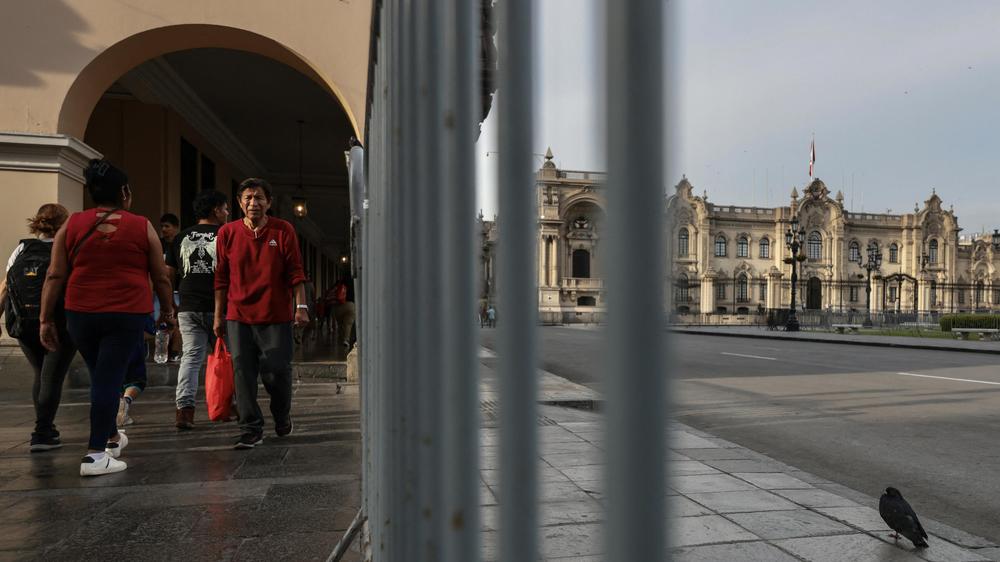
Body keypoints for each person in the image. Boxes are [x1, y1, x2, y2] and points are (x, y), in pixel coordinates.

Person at [40, 159, 175, 477]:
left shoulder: (71, 224)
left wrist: (45, 319)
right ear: (125, 192)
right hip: (125, 313)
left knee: (101, 375)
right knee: (108, 379)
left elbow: (55, 275)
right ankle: (95, 453)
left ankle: (112, 438)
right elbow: (161, 276)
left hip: (81, 314)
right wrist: (167, 311)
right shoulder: (141, 226)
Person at [214, 178, 308, 450]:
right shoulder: (227, 233)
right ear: (239, 203)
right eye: (248, 198)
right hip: (238, 315)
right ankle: (250, 428)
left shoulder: (283, 230)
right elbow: (221, 278)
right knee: (242, 372)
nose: (253, 203)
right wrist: (219, 317)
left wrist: (300, 307)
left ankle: (281, 415)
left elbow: (296, 271)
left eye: (259, 198)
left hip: (275, 315)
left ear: (268, 202)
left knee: (276, 372)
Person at [0, 204, 76, 452]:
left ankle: (46, 427)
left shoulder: (20, 249)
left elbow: (6, 286)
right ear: (64, 223)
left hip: (24, 323)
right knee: (51, 378)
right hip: (57, 323)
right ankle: (42, 432)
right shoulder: (66, 249)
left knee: (40, 374)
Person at [166, 190, 229, 430]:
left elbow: (168, 273)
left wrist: (171, 303)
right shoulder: (226, 234)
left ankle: (185, 411)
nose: (227, 213)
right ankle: (228, 404)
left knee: (190, 359)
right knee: (227, 357)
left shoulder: (181, 237)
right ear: (215, 210)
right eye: (224, 208)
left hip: (188, 306)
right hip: (220, 307)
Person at [158, 212, 182, 361]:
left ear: (175, 227)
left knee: (176, 320)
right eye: (162, 227)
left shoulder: (180, 243)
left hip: (178, 288)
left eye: (167, 226)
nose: (164, 229)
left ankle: (174, 351)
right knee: (164, 320)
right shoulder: (159, 244)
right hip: (162, 289)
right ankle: (164, 350)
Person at [333, 275, 356, 349]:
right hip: (352, 305)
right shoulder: (355, 283)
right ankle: (346, 340)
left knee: (340, 323)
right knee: (348, 324)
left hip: (341, 305)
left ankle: (341, 337)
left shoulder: (341, 283)